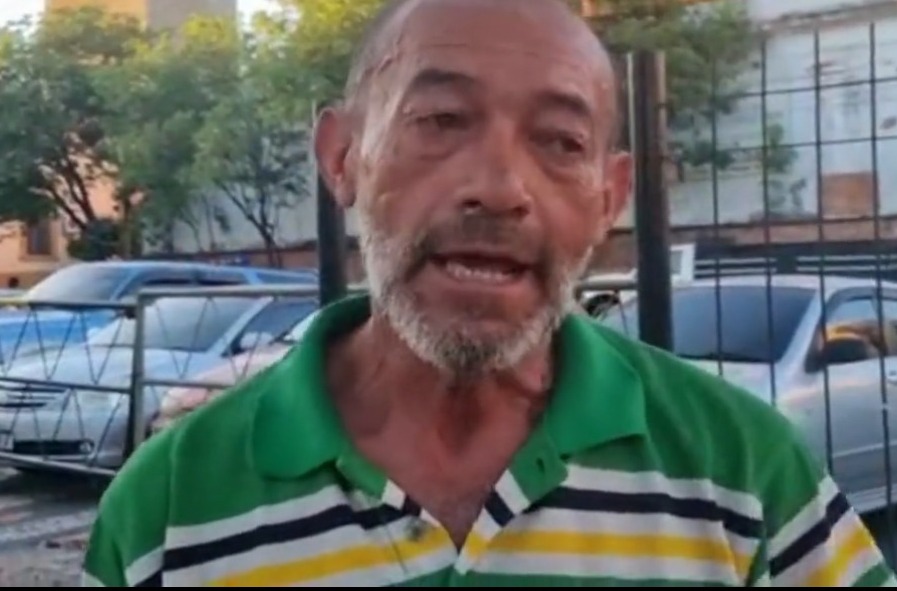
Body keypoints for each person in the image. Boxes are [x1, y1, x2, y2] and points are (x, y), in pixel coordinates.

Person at [82, 0, 896, 587]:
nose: (501, 187)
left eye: (559, 141)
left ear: (608, 198)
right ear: (342, 159)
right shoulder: (172, 505)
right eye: (440, 121)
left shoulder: (742, 468)